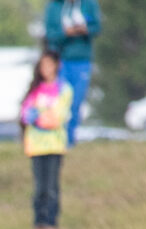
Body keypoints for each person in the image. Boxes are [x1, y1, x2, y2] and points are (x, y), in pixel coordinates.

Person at [22, 52, 73, 229]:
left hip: (55, 145)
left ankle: (52, 220)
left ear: (57, 65)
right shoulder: (34, 90)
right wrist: (38, 117)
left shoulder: (63, 89)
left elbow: (57, 117)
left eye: (50, 64)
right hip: (36, 146)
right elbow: (26, 114)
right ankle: (39, 221)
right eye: (43, 65)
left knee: (52, 186)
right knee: (39, 187)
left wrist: (38, 117)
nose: (46, 69)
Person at [42, 0, 100, 145]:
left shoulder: (89, 4)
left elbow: (97, 28)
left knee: (76, 101)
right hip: (60, 60)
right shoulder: (54, 7)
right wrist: (65, 33)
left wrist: (85, 29)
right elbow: (50, 34)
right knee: (58, 100)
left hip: (81, 60)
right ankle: (55, 137)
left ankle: (70, 139)